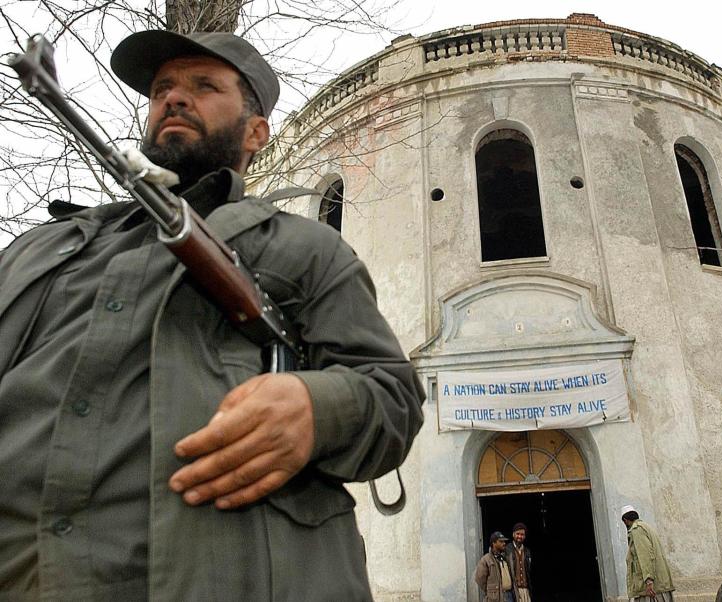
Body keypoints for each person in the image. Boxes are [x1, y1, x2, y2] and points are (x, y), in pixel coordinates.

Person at [0, 29, 424, 601]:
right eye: (162, 89)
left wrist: (315, 408)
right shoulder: (41, 248)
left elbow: (393, 399)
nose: (174, 98)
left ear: (256, 131)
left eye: (204, 86)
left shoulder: (308, 249)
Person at [621, 504, 675, 602]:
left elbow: (645, 556)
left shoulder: (636, 530)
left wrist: (649, 580)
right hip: (659, 584)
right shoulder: (646, 527)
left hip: (651, 588)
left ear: (625, 520)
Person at [475, 531, 515, 602]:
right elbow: (479, 579)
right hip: (496, 597)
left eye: (504, 541)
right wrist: (491, 590)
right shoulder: (486, 559)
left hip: (509, 595)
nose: (504, 543)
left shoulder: (506, 557)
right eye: (501, 541)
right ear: (494, 543)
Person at [505, 522, 533, 602]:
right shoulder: (507, 550)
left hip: (525, 590)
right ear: (513, 534)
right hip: (513, 590)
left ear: (525, 536)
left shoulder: (527, 551)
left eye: (522, 534)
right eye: (518, 534)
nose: (520, 536)